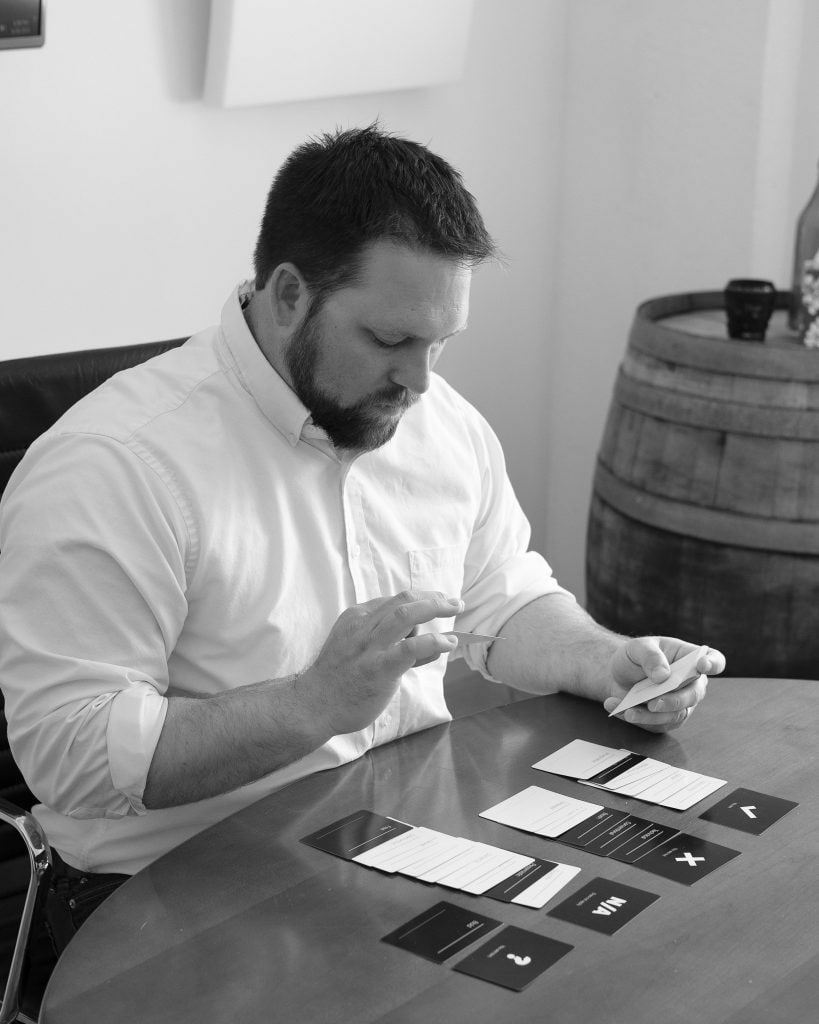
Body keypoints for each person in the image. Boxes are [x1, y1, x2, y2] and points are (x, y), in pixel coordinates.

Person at [0, 125, 724, 962]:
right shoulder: (114, 466)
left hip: (403, 848)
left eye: (440, 343)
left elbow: (502, 596)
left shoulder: (436, 420)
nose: (420, 381)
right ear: (286, 294)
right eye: (389, 341)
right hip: (168, 900)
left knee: (661, 962)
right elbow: (76, 757)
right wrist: (310, 706)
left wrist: (607, 661)